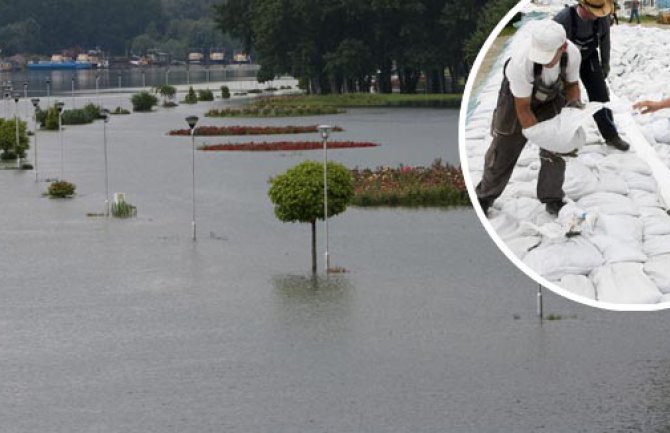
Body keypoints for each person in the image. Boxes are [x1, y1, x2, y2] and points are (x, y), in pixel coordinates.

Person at [476, 20, 582, 217]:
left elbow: (571, 85)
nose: (544, 61)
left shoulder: (572, 54)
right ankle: (484, 196)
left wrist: (573, 114)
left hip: (551, 96)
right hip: (518, 98)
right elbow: (523, 109)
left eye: (549, 56)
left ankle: (552, 198)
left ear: (563, 47)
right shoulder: (521, 62)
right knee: (504, 146)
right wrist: (539, 136)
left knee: (556, 149)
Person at [554, 0, 631, 151]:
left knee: (600, 95)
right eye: (594, 13)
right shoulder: (563, 19)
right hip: (565, 61)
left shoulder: (601, 19)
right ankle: (565, 140)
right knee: (566, 101)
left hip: (588, 57)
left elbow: (605, 41)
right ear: (583, 7)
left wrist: (605, 63)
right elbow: (551, 48)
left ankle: (611, 136)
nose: (597, 16)